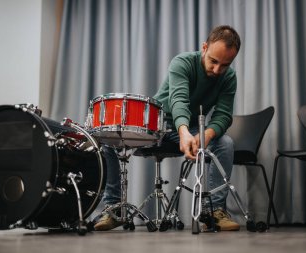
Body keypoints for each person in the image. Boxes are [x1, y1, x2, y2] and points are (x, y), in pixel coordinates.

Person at [94, 25, 241, 231]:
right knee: (108, 139)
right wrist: (183, 131)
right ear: (204, 47)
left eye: (225, 65)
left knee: (225, 143)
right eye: (213, 61)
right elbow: (178, 99)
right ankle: (113, 208)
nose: (217, 70)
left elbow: (223, 115)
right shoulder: (182, 62)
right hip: (158, 126)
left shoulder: (229, 78)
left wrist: (206, 134)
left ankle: (214, 211)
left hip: (190, 129)